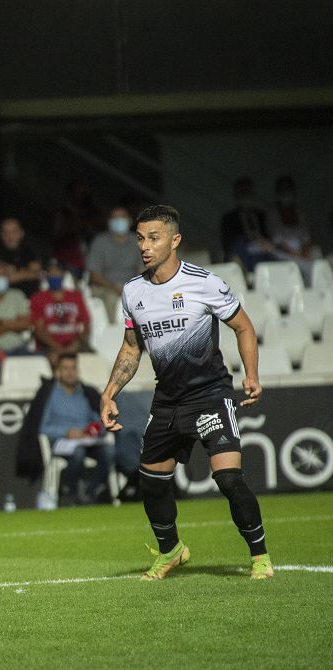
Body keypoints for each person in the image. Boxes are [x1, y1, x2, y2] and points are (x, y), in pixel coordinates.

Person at [99, 204, 273, 580]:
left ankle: (260, 556)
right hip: (168, 399)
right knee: (151, 481)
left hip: (210, 393)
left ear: (175, 240)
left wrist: (252, 375)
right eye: (140, 238)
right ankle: (171, 551)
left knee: (228, 479)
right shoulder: (133, 291)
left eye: (154, 238)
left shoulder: (204, 282)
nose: (145, 246)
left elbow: (243, 327)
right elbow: (132, 347)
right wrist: (109, 391)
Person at [35, 354, 114, 505]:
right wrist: (66, 432)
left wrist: (95, 428)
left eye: (73, 368)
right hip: (62, 442)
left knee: (109, 450)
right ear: (58, 372)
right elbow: (43, 427)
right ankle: (71, 493)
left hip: (86, 440)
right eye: (65, 369)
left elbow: (97, 420)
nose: (70, 372)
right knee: (78, 453)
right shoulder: (50, 395)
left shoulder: (85, 393)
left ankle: (90, 493)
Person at [86, 206, 142, 321]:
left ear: (130, 221)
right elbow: (94, 275)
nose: (119, 221)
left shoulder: (138, 241)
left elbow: (143, 269)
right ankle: (113, 333)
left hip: (131, 287)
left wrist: (132, 287)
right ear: (109, 222)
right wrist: (116, 288)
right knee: (112, 299)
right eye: (115, 218)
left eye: (122, 217)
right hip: (106, 287)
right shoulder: (100, 242)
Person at [29, 260, 90, 364]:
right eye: (51, 272)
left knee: (91, 361)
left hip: (75, 345)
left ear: (63, 274)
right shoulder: (38, 298)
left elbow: (86, 325)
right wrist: (58, 348)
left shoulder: (76, 296)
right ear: (46, 275)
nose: (54, 275)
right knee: (54, 359)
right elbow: (38, 330)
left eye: (57, 272)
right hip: (48, 347)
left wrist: (76, 344)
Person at [219, 177, 275, 269]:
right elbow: (228, 242)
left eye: (248, 192)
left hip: (262, 251)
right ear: (236, 195)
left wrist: (264, 242)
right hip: (243, 252)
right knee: (239, 243)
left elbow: (268, 236)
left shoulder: (261, 215)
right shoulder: (229, 218)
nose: (245, 196)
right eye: (242, 193)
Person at [51, 180, 103, 276]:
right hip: (67, 259)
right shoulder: (63, 213)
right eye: (79, 193)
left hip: (87, 260)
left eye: (84, 194)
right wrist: (79, 225)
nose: (81, 196)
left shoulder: (89, 213)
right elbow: (59, 233)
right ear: (71, 194)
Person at [0, 218, 43, 297]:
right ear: (1, 235)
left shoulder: (29, 250)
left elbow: (37, 273)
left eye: (14, 231)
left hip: (31, 298)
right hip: (5, 299)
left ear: (21, 233)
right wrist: (26, 272)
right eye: (5, 232)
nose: (10, 235)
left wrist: (14, 273)